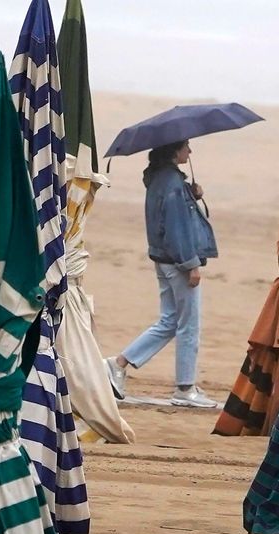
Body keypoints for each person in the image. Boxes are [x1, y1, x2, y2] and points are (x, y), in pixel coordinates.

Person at [105, 140, 218, 407]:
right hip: (178, 262)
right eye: (186, 147)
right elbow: (177, 227)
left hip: (163, 259)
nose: (190, 152)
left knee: (169, 321)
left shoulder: (160, 179)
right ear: (174, 151)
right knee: (189, 325)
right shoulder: (172, 184)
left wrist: (194, 196)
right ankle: (185, 388)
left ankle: (119, 363)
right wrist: (191, 264)